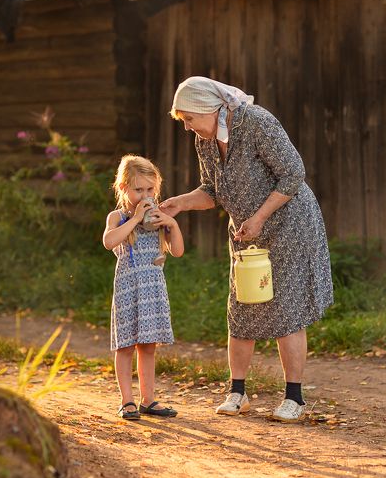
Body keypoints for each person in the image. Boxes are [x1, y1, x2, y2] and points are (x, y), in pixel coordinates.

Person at [161, 77, 333, 423]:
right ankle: (237, 393)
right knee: (241, 306)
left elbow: (293, 174)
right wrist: (181, 202)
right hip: (247, 231)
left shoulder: (256, 122)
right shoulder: (205, 140)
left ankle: (294, 399)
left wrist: (259, 217)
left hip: (289, 224)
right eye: (184, 122)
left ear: (209, 108)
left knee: (287, 306)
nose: (188, 128)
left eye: (189, 119)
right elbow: (212, 191)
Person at [103, 154, 185, 420]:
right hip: (128, 289)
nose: (145, 195)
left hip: (153, 289)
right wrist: (136, 218)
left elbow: (178, 251)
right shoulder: (118, 217)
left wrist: (172, 224)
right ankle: (126, 401)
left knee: (148, 346)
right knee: (126, 346)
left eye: (150, 190)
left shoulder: (159, 217)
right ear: (123, 187)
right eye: (139, 190)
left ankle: (148, 400)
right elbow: (109, 242)